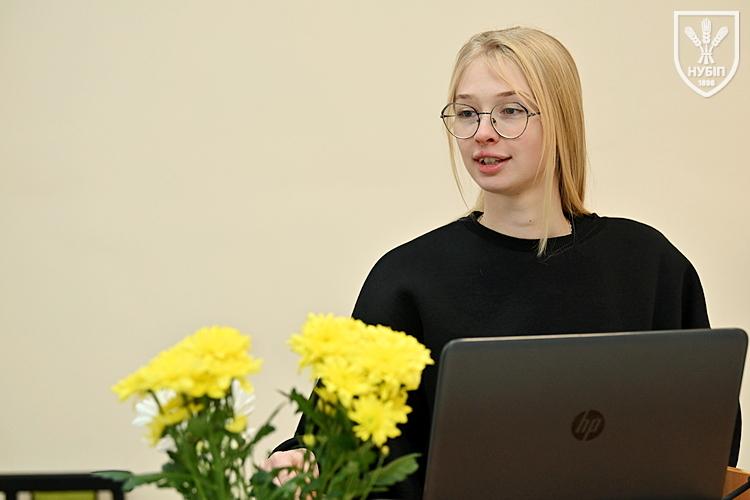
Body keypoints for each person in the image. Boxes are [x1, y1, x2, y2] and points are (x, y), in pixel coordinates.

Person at [263, 26, 742, 498]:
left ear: (561, 119)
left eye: (510, 111)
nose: (483, 133)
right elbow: (328, 444)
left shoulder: (648, 264)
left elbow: (709, 440)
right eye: (467, 113)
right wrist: (298, 465)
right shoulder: (406, 278)